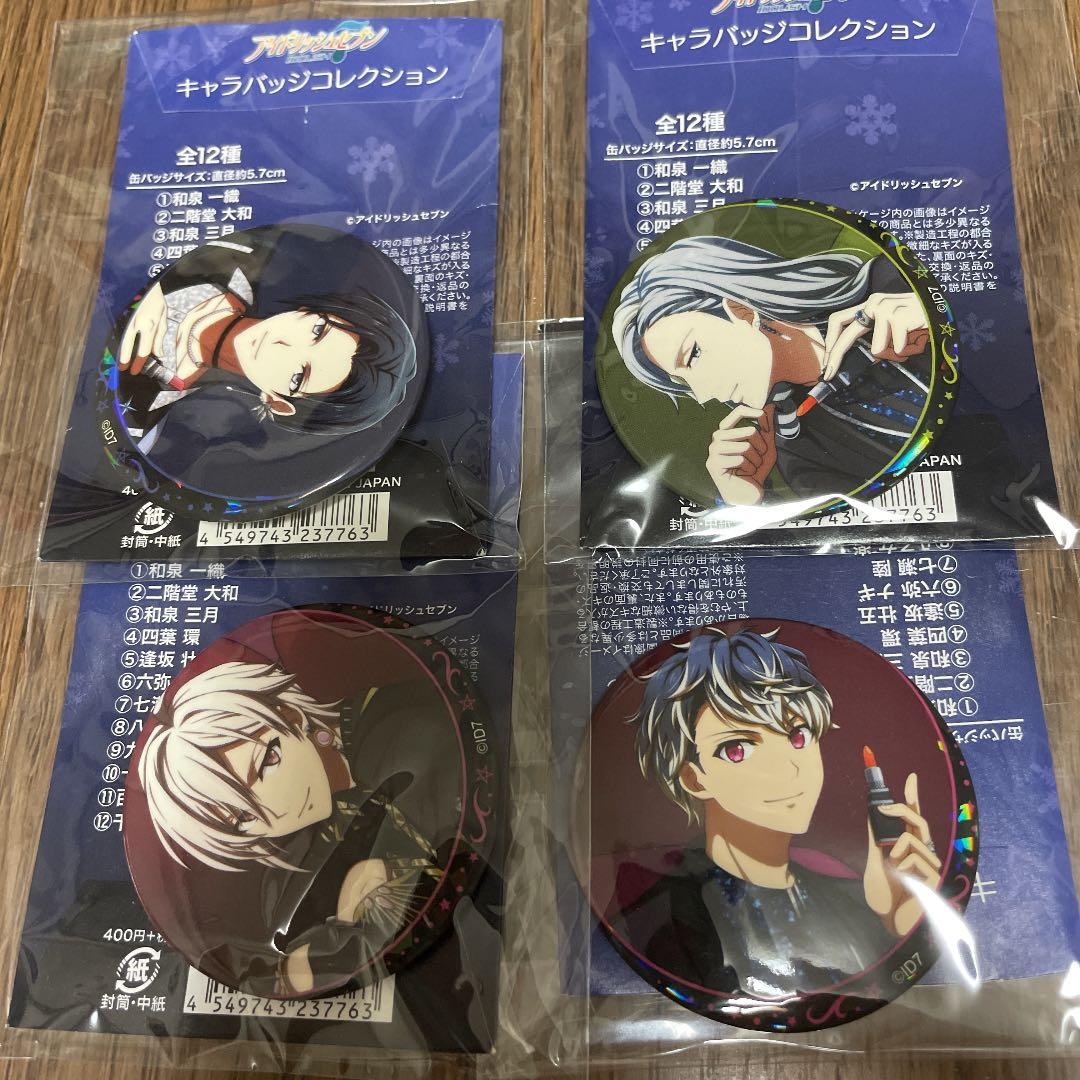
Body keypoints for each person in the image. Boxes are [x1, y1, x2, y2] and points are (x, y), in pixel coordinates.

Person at [621, 628, 941, 999]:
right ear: (694, 778)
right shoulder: (664, 918)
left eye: (798, 736)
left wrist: (895, 927)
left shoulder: (855, 900)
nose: (789, 769)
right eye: (738, 749)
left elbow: (869, 992)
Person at [137, 659, 442, 997]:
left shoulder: (403, 730)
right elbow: (296, 970)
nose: (278, 809)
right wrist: (344, 918)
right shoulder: (314, 843)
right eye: (243, 819)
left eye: (267, 763)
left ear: (292, 716)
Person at [610, 235, 933, 506]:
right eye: (684, 381)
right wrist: (748, 501)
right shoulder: (798, 453)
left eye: (693, 354)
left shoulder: (895, 283)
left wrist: (932, 314)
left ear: (741, 311)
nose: (704, 394)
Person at [113, 223, 424, 485]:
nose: (283, 345)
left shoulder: (152, 418)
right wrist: (151, 294)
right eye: (317, 330)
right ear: (309, 309)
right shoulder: (235, 258)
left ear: (278, 403)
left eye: (299, 375)